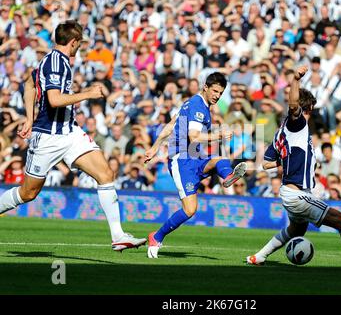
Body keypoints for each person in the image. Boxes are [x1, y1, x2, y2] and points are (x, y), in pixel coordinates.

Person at [0, 20, 146, 252]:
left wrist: (28, 117)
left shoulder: (50, 61)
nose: (80, 47)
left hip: (69, 132)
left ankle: (118, 236)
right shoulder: (56, 63)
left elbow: (29, 85)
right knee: (28, 192)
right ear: (74, 41)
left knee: (106, 174)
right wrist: (87, 93)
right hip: (48, 137)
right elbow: (54, 99)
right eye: (80, 42)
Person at [246, 65, 341, 275]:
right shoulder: (297, 124)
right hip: (297, 195)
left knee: (297, 229)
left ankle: (258, 257)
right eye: (311, 109)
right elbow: (293, 104)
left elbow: (266, 164)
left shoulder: (281, 134)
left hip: (292, 193)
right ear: (309, 109)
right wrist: (296, 79)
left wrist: (285, 162)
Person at [143, 72, 247, 258]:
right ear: (205, 87)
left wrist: (154, 148)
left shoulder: (191, 103)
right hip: (180, 160)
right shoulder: (198, 106)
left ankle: (228, 177)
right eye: (215, 91)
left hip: (194, 156)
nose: (217, 95)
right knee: (190, 210)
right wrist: (218, 135)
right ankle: (156, 236)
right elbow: (194, 136)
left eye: (221, 93)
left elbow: (170, 125)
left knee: (219, 159)